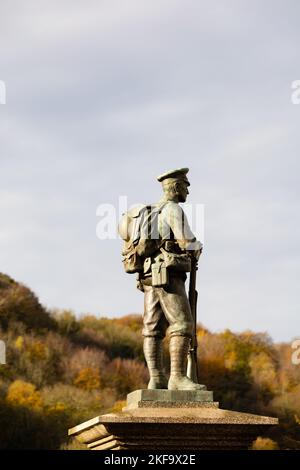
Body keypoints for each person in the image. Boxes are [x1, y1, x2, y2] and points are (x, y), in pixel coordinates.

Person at [139, 168, 204, 391]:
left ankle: (156, 378)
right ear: (176, 187)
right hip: (169, 275)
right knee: (183, 324)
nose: (188, 190)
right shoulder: (172, 210)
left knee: (152, 329)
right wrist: (197, 246)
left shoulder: (151, 212)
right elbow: (186, 241)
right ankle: (176, 377)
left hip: (149, 276)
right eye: (185, 186)